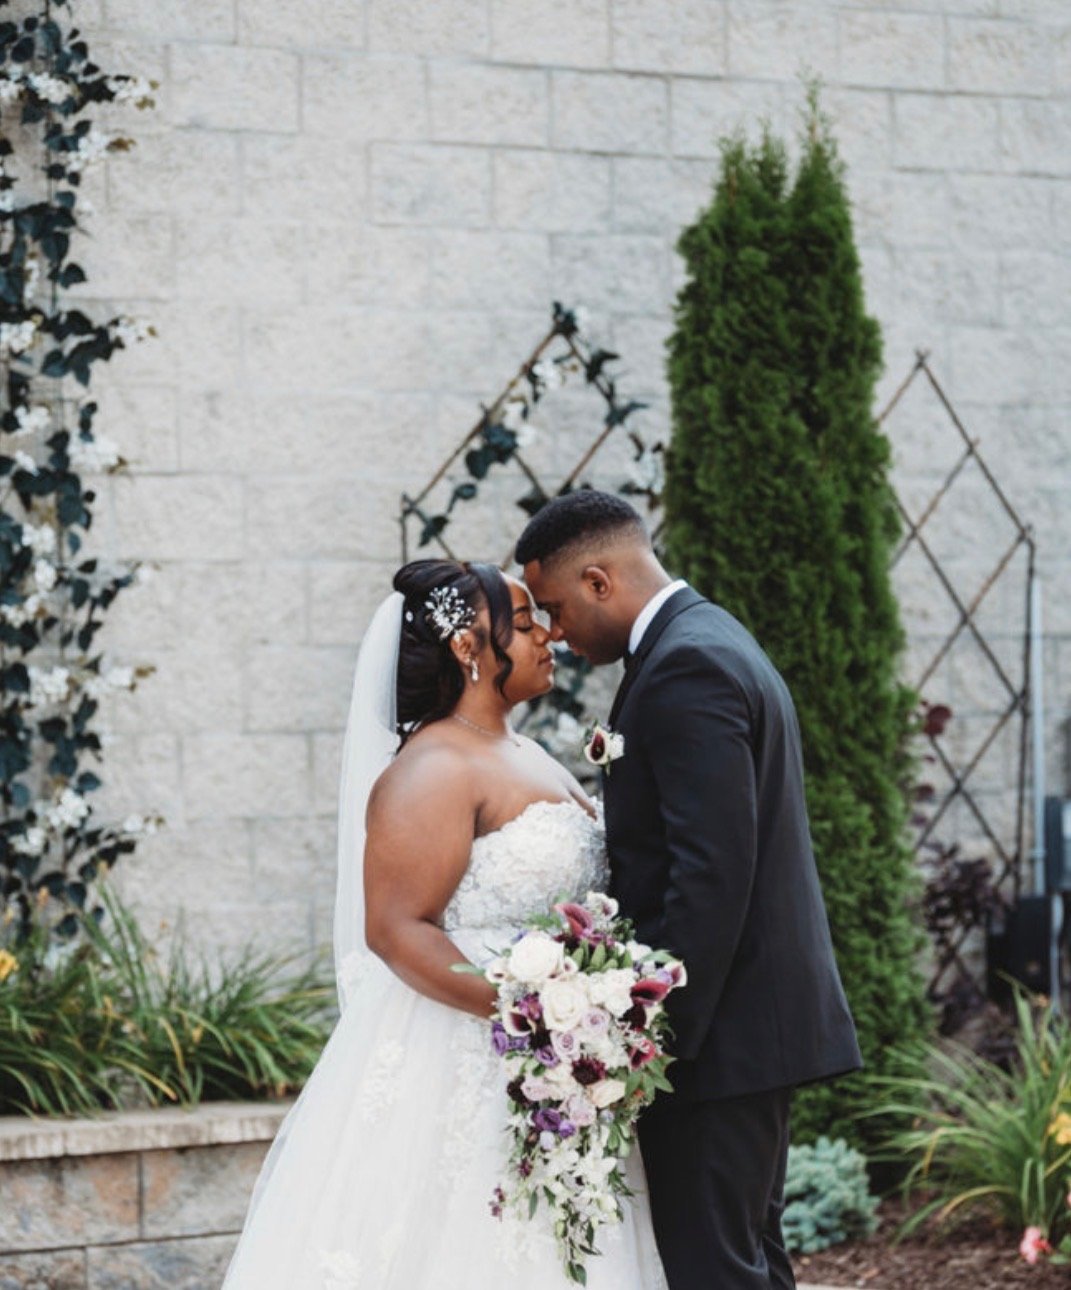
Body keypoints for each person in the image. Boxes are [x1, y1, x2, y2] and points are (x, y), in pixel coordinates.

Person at [222, 558, 667, 1289]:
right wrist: (532, 1013)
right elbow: (398, 930)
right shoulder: (431, 768)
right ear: (468, 648)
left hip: (548, 1064)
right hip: (473, 1052)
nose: (548, 636)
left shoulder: (519, 751)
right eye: (524, 625)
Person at [518, 491, 863, 1290]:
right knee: (745, 1261)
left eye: (557, 607)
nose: (555, 632)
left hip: (716, 1038)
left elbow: (710, 876)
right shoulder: (703, 638)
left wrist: (651, 1037)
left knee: (715, 1269)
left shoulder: (684, 666)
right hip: (745, 1028)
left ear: (600, 580)